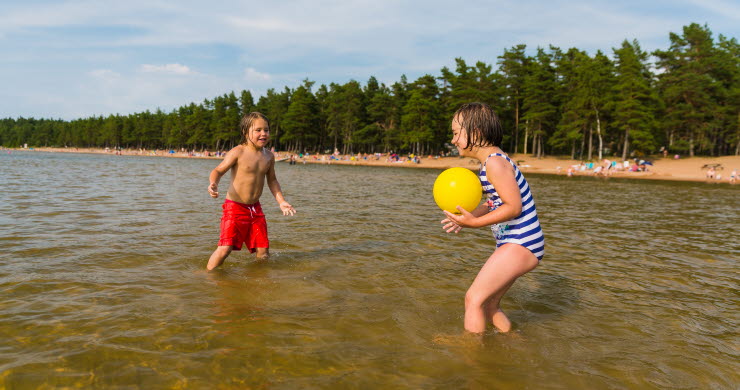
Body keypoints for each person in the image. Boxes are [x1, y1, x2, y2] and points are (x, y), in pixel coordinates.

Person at [441, 102, 544, 334]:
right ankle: (513, 345)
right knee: (489, 304)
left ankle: (471, 354)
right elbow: (494, 203)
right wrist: (467, 216)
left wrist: (474, 223)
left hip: (521, 242)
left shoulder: (495, 164)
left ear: (475, 133)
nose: (454, 140)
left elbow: (513, 207)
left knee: (473, 299)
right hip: (522, 243)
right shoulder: (491, 163)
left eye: (456, 133)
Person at [206, 112, 296, 270]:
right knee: (225, 248)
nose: (263, 134)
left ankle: (258, 278)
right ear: (245, 132)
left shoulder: (269, 156)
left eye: (266, 130)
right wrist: (213, 183)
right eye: (258, 130)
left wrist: (281, 202)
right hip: (234, 207)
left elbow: (272, 180)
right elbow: (218, 171)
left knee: (263, 251)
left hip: (255, 209)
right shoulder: (238, 152)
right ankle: (208, 276)